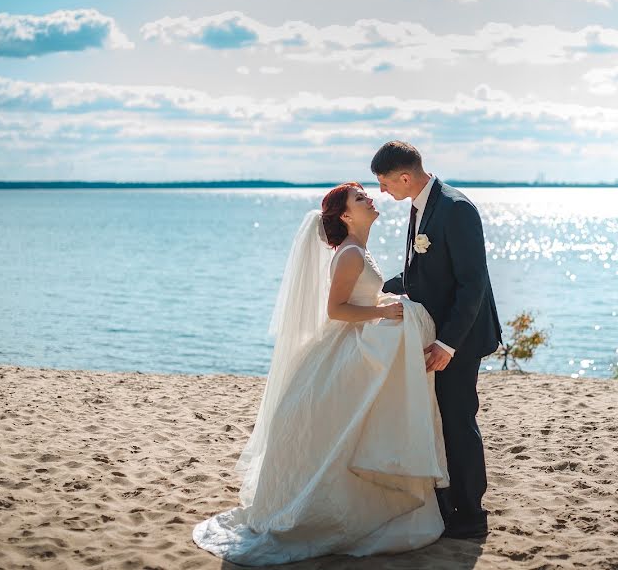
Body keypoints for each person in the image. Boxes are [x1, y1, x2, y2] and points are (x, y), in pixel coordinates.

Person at [192, 182, 450, 566]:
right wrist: (384, 312)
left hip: (355, 344)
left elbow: (360, 297)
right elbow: (337, 311)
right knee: (340, 433)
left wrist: (385, 302)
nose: (369, 199)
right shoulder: (348, 254)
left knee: (351, 431)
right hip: (344, 347)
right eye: (360, 198)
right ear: (346, 216)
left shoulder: (357, 249)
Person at [373, 141, 502, 540]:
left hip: (458, 338)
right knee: (442, 418)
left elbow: (472, 283)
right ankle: (451, 504)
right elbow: (422, 272)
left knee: (459, 420)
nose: (382, 191)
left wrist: (447, 345)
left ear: (405, 177)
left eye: (384, 182)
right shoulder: (421, 204)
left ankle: (472, 515)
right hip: (439, 333)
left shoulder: (456, 208)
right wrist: (372, 287)